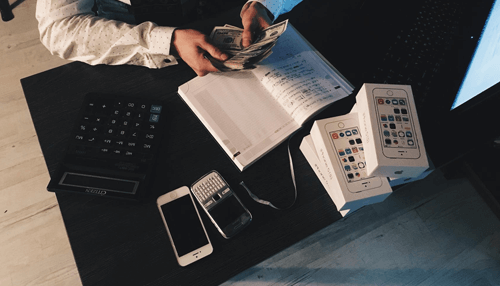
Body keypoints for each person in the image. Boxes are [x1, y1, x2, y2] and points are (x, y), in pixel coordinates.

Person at [36, 0, 302, 76]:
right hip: (145, 39)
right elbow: (59, 29)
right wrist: (168, 41)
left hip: (240, 13)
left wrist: (269, 2)